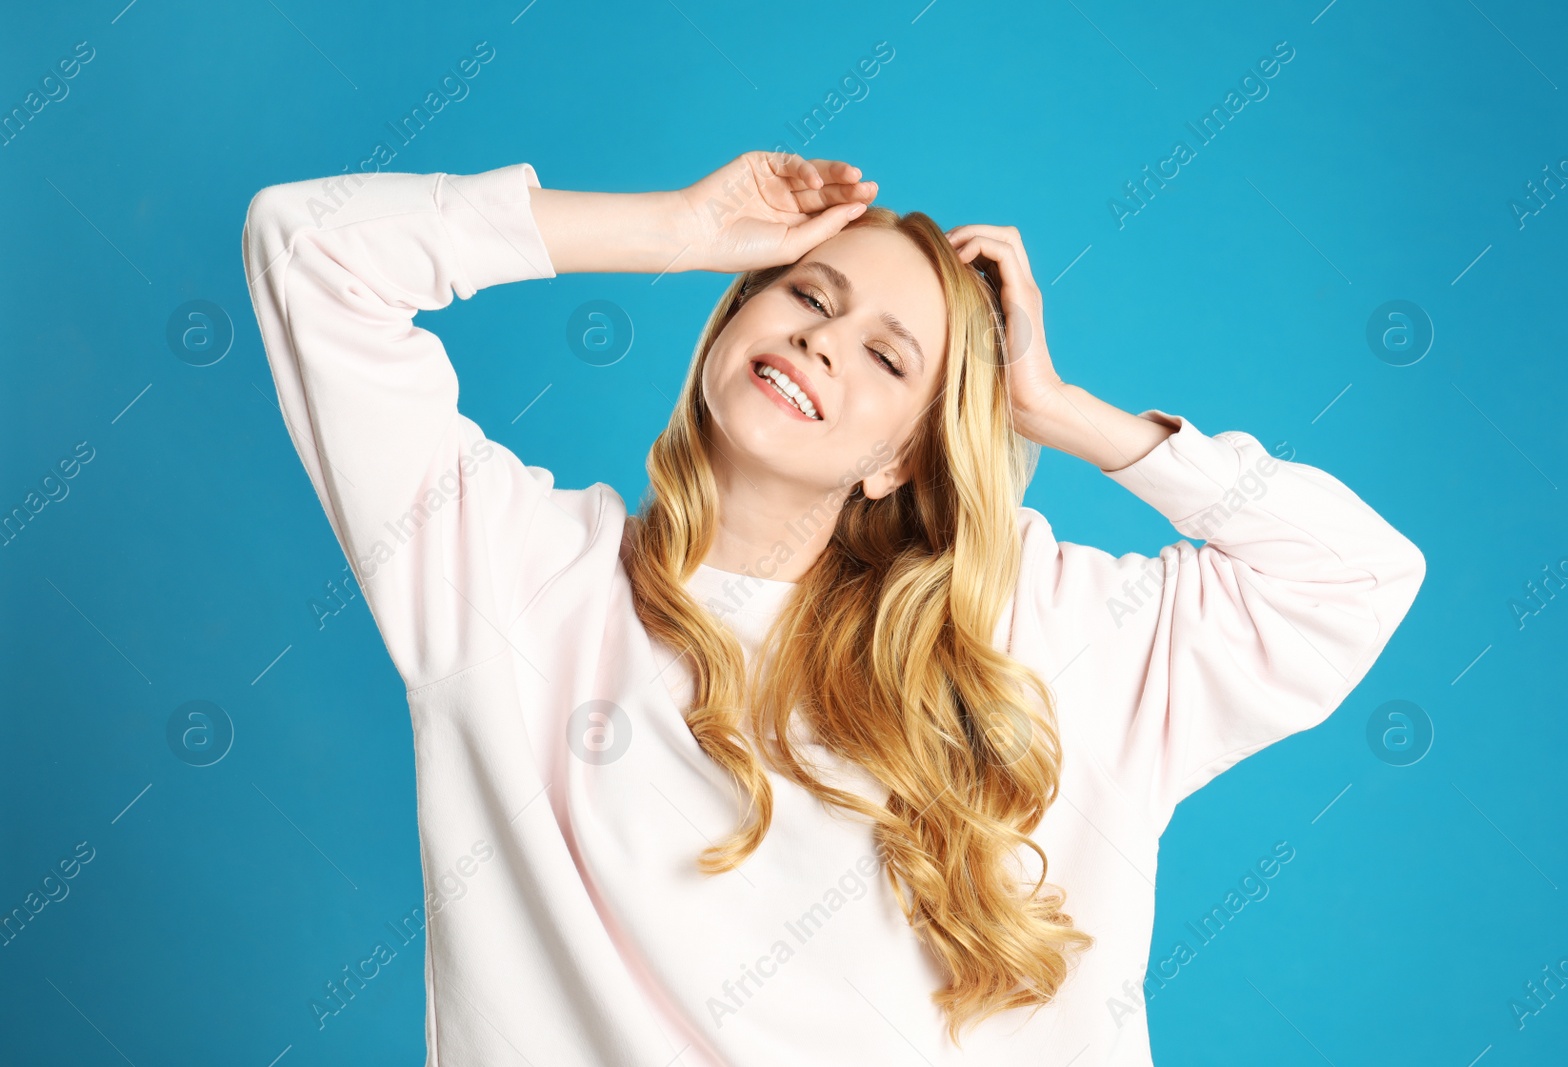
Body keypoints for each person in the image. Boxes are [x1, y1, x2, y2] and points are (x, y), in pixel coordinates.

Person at [241, 150, 1425, 1066]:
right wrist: (677, 227)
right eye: (808, 292)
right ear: (732, 312)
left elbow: (1352, 574)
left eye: (889, 356)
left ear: (901, 460)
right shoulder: (507, 575)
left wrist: (1051, 404)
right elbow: (308, 247)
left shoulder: (1031, 633)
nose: (819, 336)